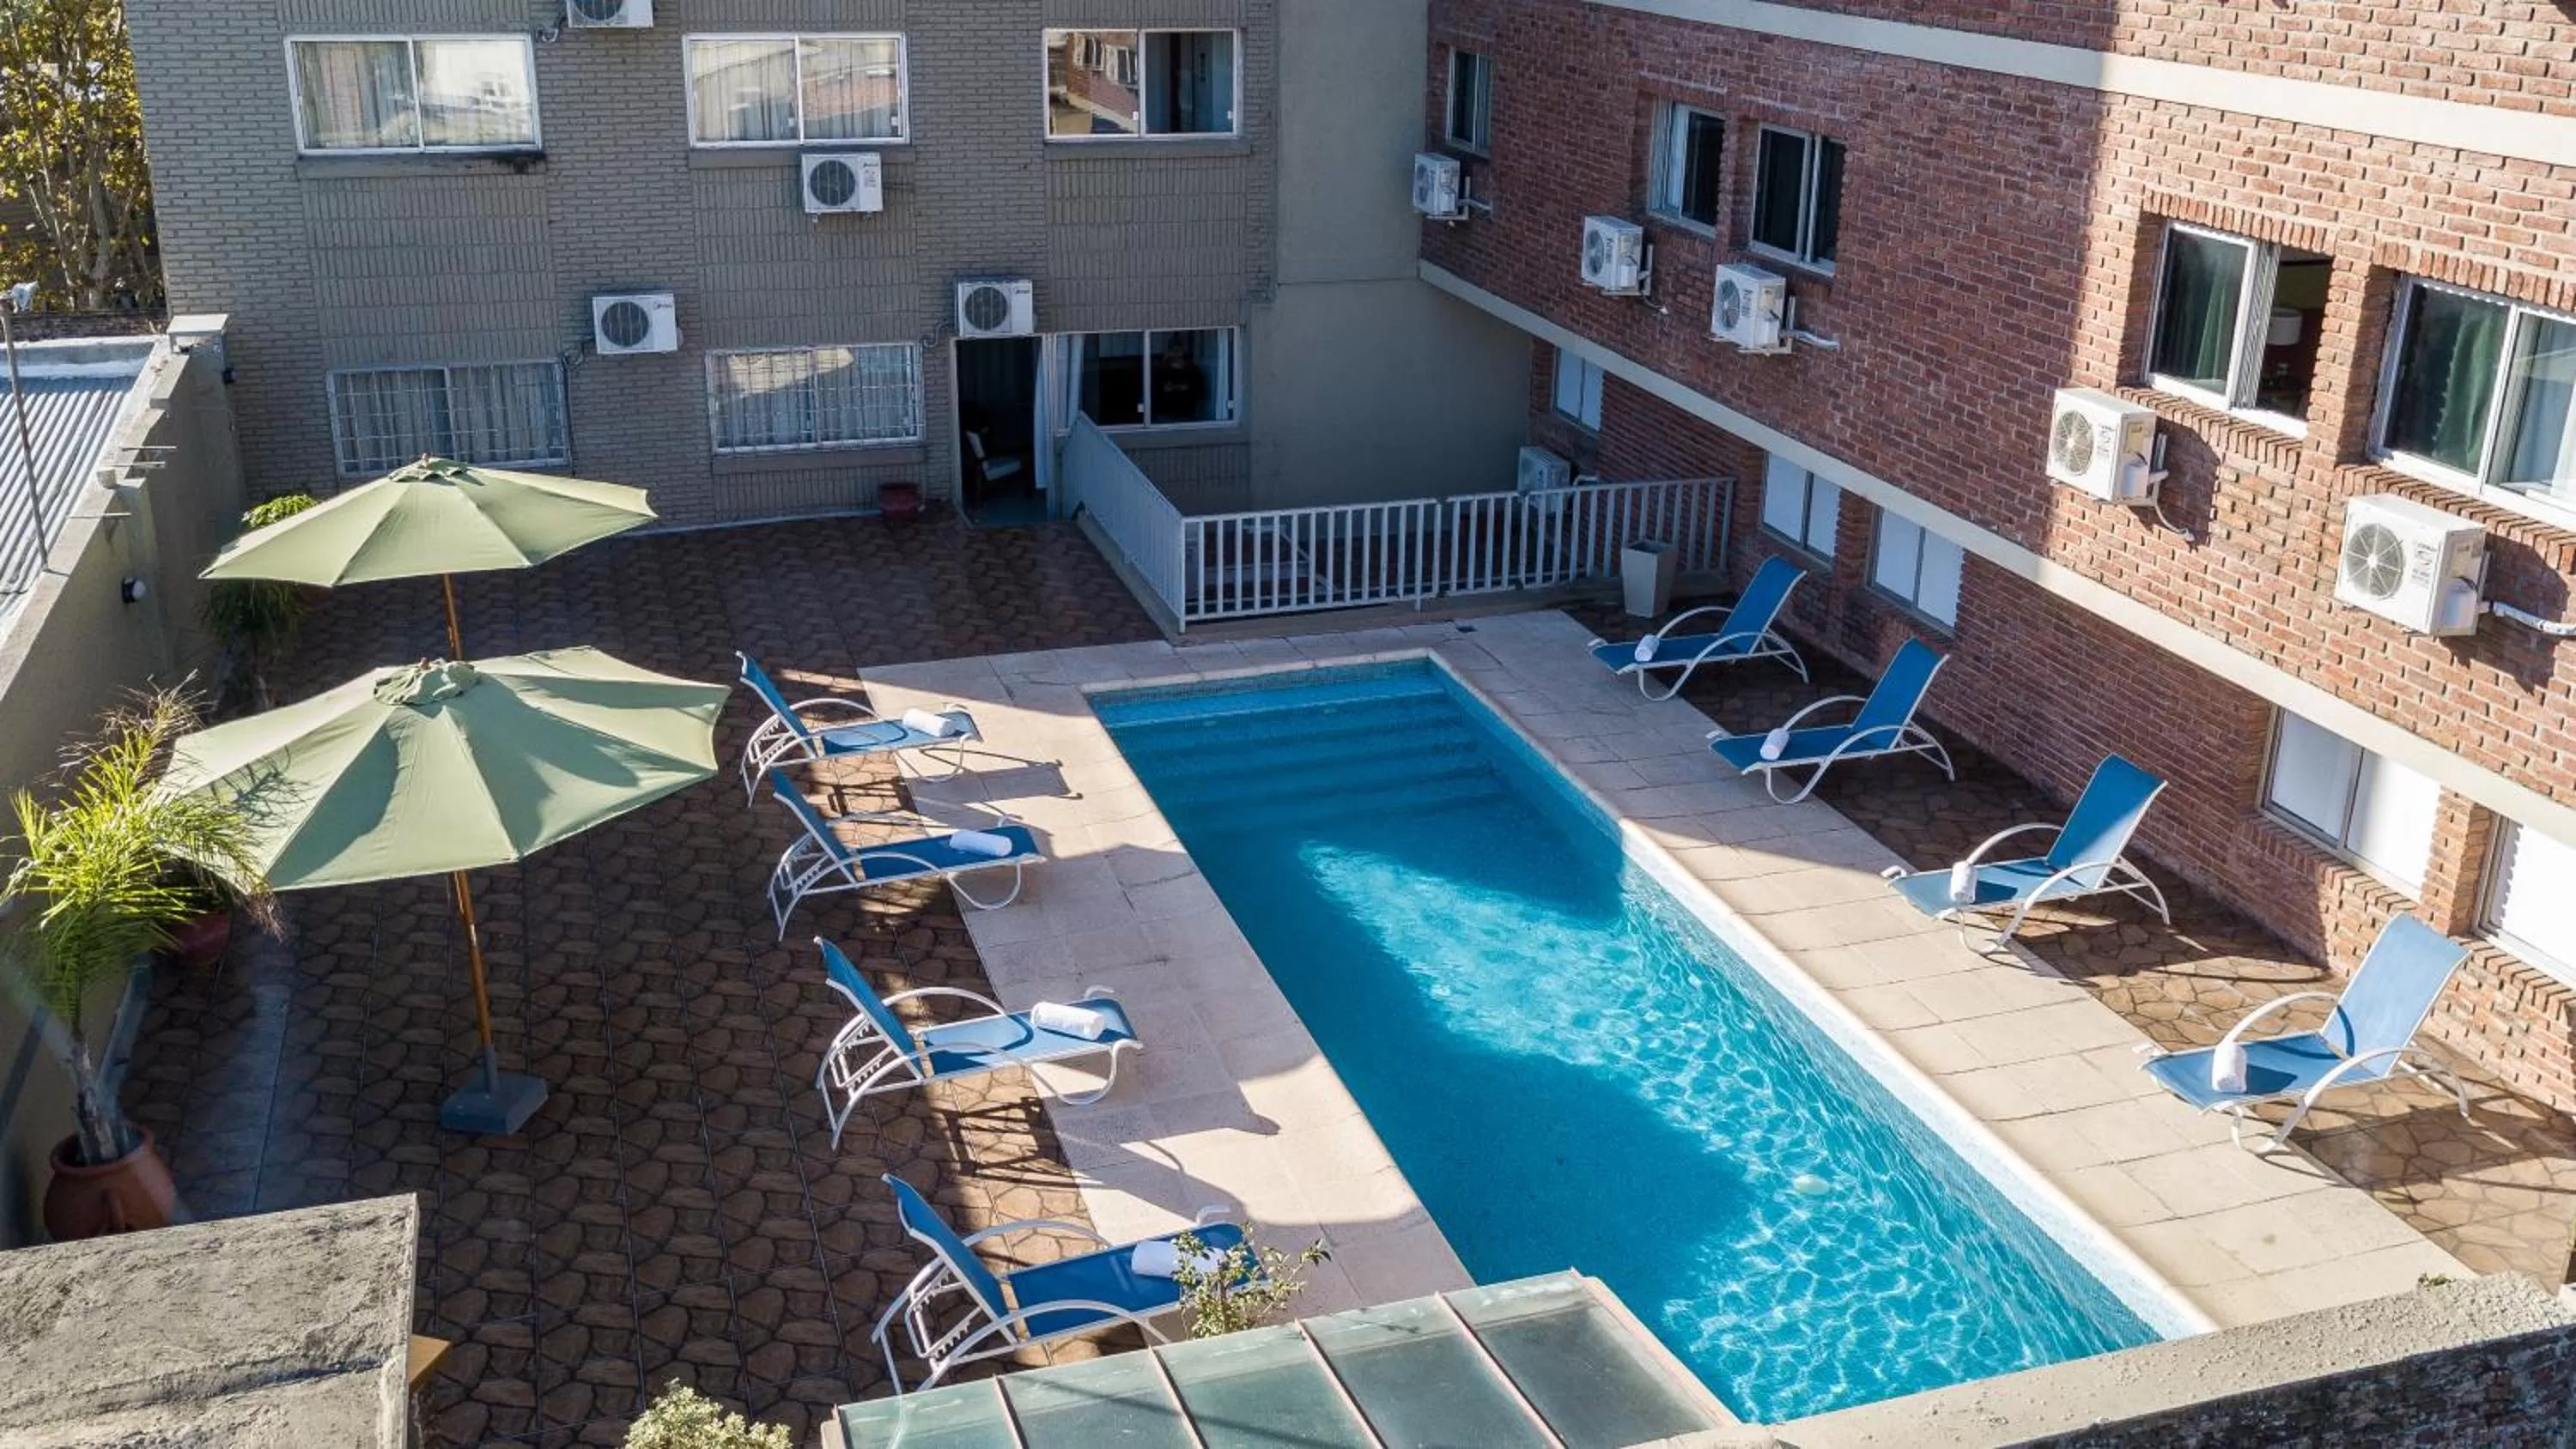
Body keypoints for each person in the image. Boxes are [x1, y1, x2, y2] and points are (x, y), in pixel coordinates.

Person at [1151, 336, 1208, 423]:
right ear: (1168, 352)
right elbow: (1152, 393)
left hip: (1187, 415)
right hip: (1165, 415)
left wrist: (1187, 389)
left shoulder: (1192, 370)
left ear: (1183, 351)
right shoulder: (1160, 370)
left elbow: (1201, 393)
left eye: (1178, 351)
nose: (1176, 354)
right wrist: (1164, 389)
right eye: (1173, 351)